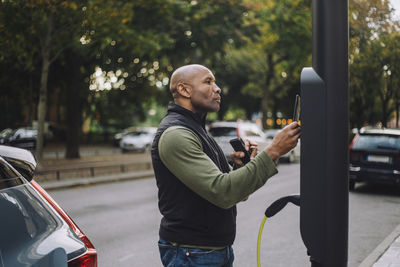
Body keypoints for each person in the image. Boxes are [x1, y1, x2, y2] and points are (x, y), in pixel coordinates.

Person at [151, 64, 300, 267]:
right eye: (208, 82)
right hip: (191, 253)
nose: (218, 88)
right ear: (184, 90)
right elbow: (223, 192)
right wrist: (273, 150)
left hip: (210, 250)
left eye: (215, 82)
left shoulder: (197, 130)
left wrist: (240, 167)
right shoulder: (176, 134)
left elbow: (235, 193)